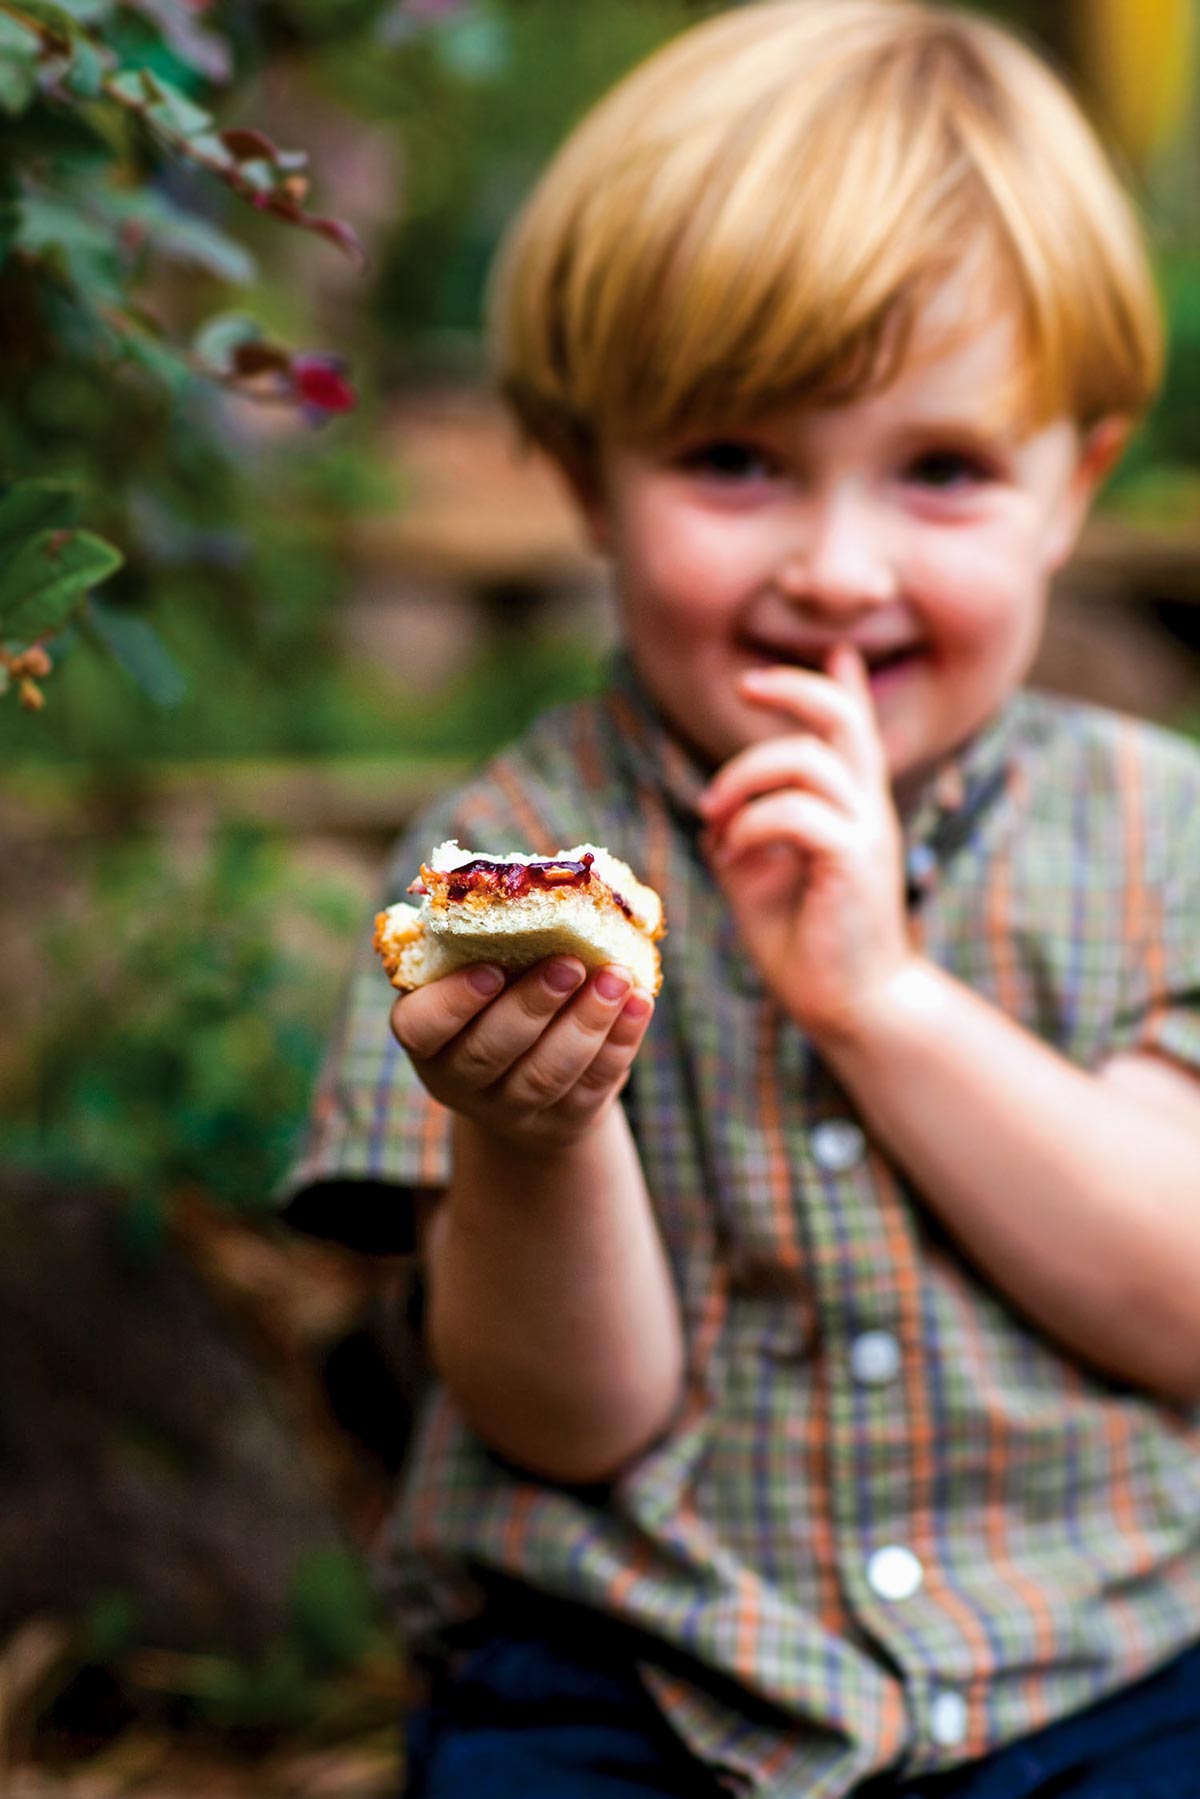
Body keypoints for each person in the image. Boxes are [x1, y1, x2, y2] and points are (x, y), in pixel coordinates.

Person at [281, 3, 1200, 1793]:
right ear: (582, 480)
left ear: (1070, 487)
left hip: (1102, 1659)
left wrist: (882, 999)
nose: (834, 570)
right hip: (638, 1664)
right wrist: (533, 1137)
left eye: (940, 471)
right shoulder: (506, 857)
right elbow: (567, 1424)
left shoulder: (1164, 838)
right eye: (733, 462)